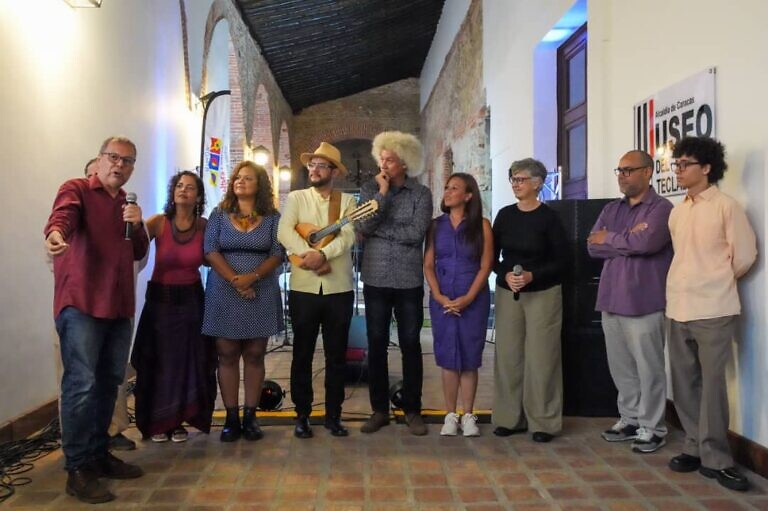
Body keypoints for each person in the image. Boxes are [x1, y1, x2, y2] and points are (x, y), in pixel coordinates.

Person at [44, 136, 147, 504]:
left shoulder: (126, 205)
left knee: (109, 383)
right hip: (83, 304)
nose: (120, 165)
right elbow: (62, 218)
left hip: (119, 306)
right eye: (113, 157)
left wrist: (136, 225)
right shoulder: (76, 189)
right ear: (100, 159)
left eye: (128, 161)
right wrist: (56, 234)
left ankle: (99, 453)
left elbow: (139, 251)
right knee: (81, 385)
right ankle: (77, 468)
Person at [665, 137, 756, 492]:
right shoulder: (677, 211)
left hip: (714, 308)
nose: (679, 170)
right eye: (676, 164)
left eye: (685, 163)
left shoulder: (726, 207)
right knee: (685, 383)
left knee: (713, 385)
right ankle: (693, 446)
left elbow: (745, 256)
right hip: (678, 305)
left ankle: (717, 457)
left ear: (706, 167)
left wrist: (714, 280)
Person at [587, 150, 673, 453]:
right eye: (619, 170)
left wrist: (610, 238)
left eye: (628, 170)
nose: (622, 175)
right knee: (621, 365)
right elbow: (591, 246)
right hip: (611, 298)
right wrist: (625, 238)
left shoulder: (661, 209)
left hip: (643, 300)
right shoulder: (613, 208)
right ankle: (631, 418)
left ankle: (654, 427)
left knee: (649, 367)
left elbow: (647, 243)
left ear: (648, 172)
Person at [131, 171, 217, 443]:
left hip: (192, 301)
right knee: (160, 362)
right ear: (173, 192)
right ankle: (159, 422)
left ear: (198, 196)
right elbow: (134, 250)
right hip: (160, 303)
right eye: (179, 186)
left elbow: (210, 260)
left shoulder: (204, 226)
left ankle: (178, 421)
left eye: (190, 187)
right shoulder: (158, 222)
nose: (183, 191)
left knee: (187, 363)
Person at [277, 142, 356, 439]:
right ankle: (302, 415)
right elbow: (284, 231)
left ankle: (333, 416)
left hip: (338, 288)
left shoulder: (347, 202)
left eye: (322, 165)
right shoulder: (297, 198)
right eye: (312, 165)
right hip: (303, 287)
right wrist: (306, 254)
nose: (314, 169)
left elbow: (348, 237)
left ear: (334, 172)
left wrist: (322, 255)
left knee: (337, 356)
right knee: (302, 353)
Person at [357, 131, 433, 436]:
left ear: (405, 162)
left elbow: (416, 234)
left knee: (411, 344)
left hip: (408, 280)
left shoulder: (421, 194)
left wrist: (380, 231)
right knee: (376, 344)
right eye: (382, 158)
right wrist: (383, 195)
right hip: (375, 277)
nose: (384, 164)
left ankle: (412, 410)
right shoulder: (369, 189)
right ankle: (379, 410)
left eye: (390, 159)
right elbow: (362, 224)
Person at [202, 161, 284, 442]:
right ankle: (231, 417)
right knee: (226, 355)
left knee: (255, 354)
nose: (240, 181)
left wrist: (253, 277)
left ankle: (251, 417)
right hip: (224, 290)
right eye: (237, 177)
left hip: (260, 290)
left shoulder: (272, 217)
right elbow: (210, 250)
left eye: (248, 178)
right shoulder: (219, 214)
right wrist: (238, 281)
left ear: (259, 184)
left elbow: (277, 252)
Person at [491, 158, 567, 443]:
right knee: (508, 356)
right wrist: (504, 274)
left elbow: (562, 260)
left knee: (542, 358)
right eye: (512, 179)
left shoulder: (549, 218)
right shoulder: (505, 215)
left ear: (537, 183)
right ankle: (509, 418)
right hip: (509, 291)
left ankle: (543, 422)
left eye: (520, 179)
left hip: (543, 293)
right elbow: (493, 256)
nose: (515, 184)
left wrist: (534, 275)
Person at [424, 173, 493, 437]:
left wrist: (468, 298)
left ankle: (468, 415)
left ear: (468, 195)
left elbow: (486, 266)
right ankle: (450, 415)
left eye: (455, 188)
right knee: (448, 359)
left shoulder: (482, 226)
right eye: (446, 188)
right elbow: (428, 265)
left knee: (469, 358)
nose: (448, 192)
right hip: (443, 298)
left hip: (472, 298)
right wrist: (440, 296)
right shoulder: (435, 226)